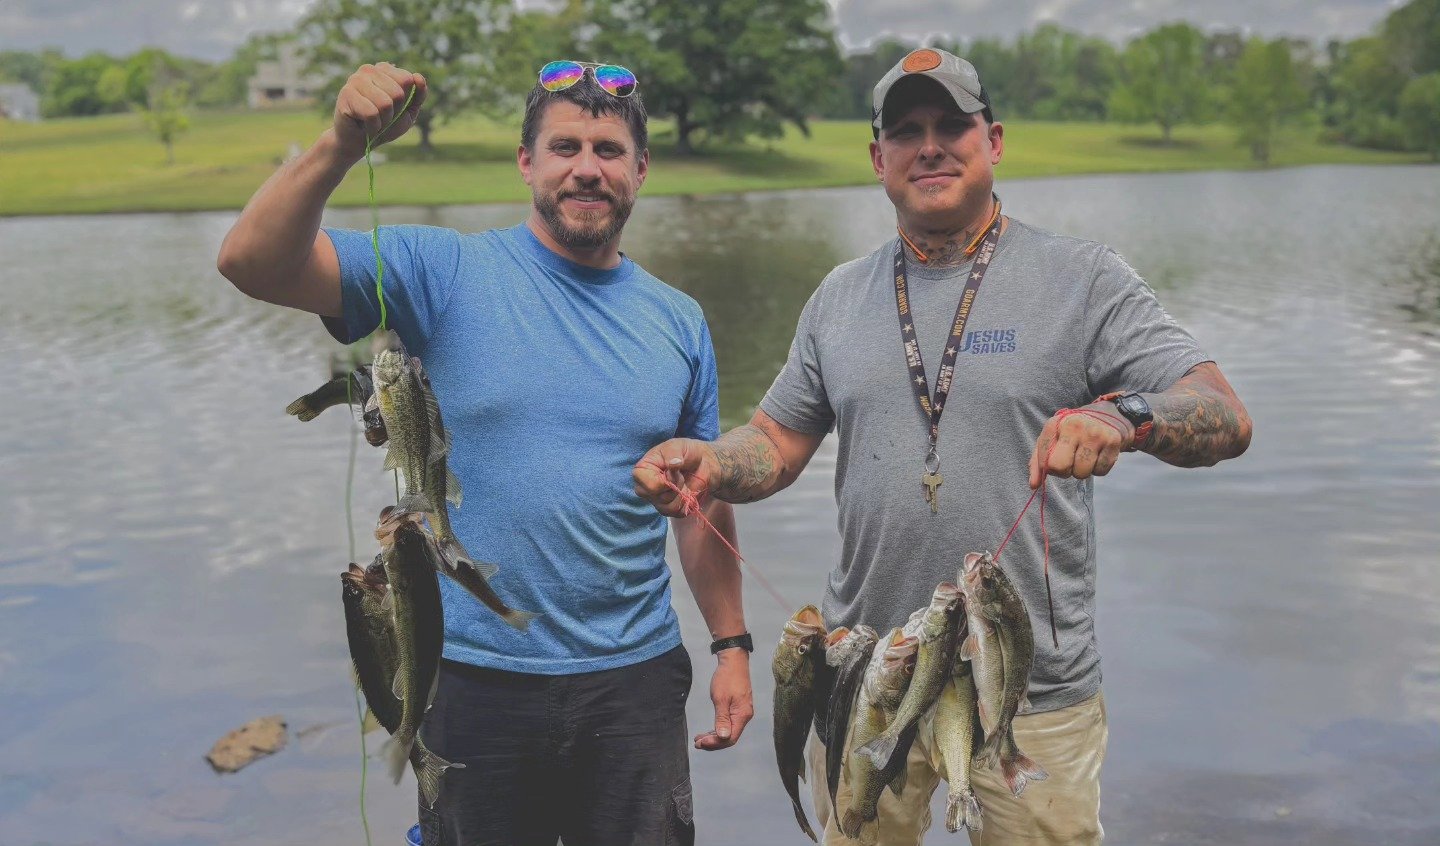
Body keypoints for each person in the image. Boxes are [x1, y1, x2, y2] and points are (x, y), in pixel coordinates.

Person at [634, 47, 1252, 845]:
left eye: (950, 126)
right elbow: (777, 443)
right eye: (905, 130)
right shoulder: (838, 297)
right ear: (877, 158)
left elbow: (1224, 414)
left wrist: (1125, 417)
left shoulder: (1084, 279)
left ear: (992, 141)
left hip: (1029, 691)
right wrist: (712, 462)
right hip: (867, 676)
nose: (929, 146)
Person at [218, 60, 755, 845]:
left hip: (634, 680)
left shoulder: (678, 321)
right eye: (564, 146)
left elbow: (700, 503)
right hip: (472, 682)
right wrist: (338, 146)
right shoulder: (443, 271)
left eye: (608, 151)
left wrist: (733, 646)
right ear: (526, 162)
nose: (586, 169)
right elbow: (250, 262)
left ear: (640, 170)